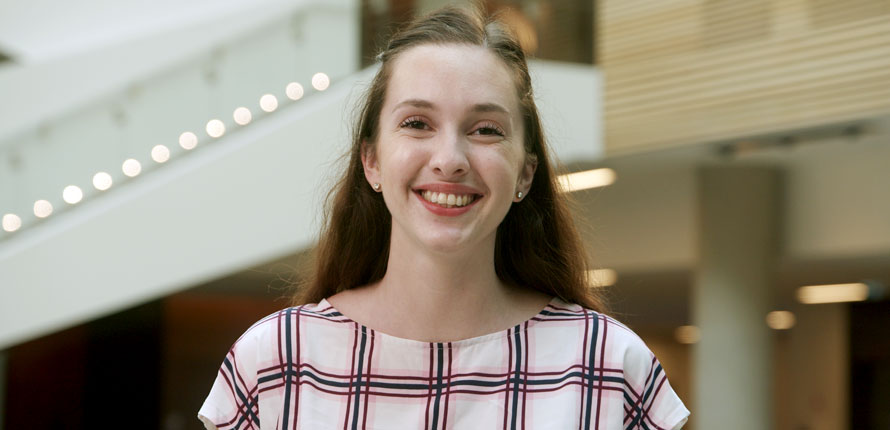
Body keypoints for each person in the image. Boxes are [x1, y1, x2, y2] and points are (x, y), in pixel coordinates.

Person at [198, 6, 689, 429]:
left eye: (485, 129)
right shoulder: (276, 363)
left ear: (525, 173)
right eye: (417, 124)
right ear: (371, 160)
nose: (450, 158)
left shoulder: (607, 365)